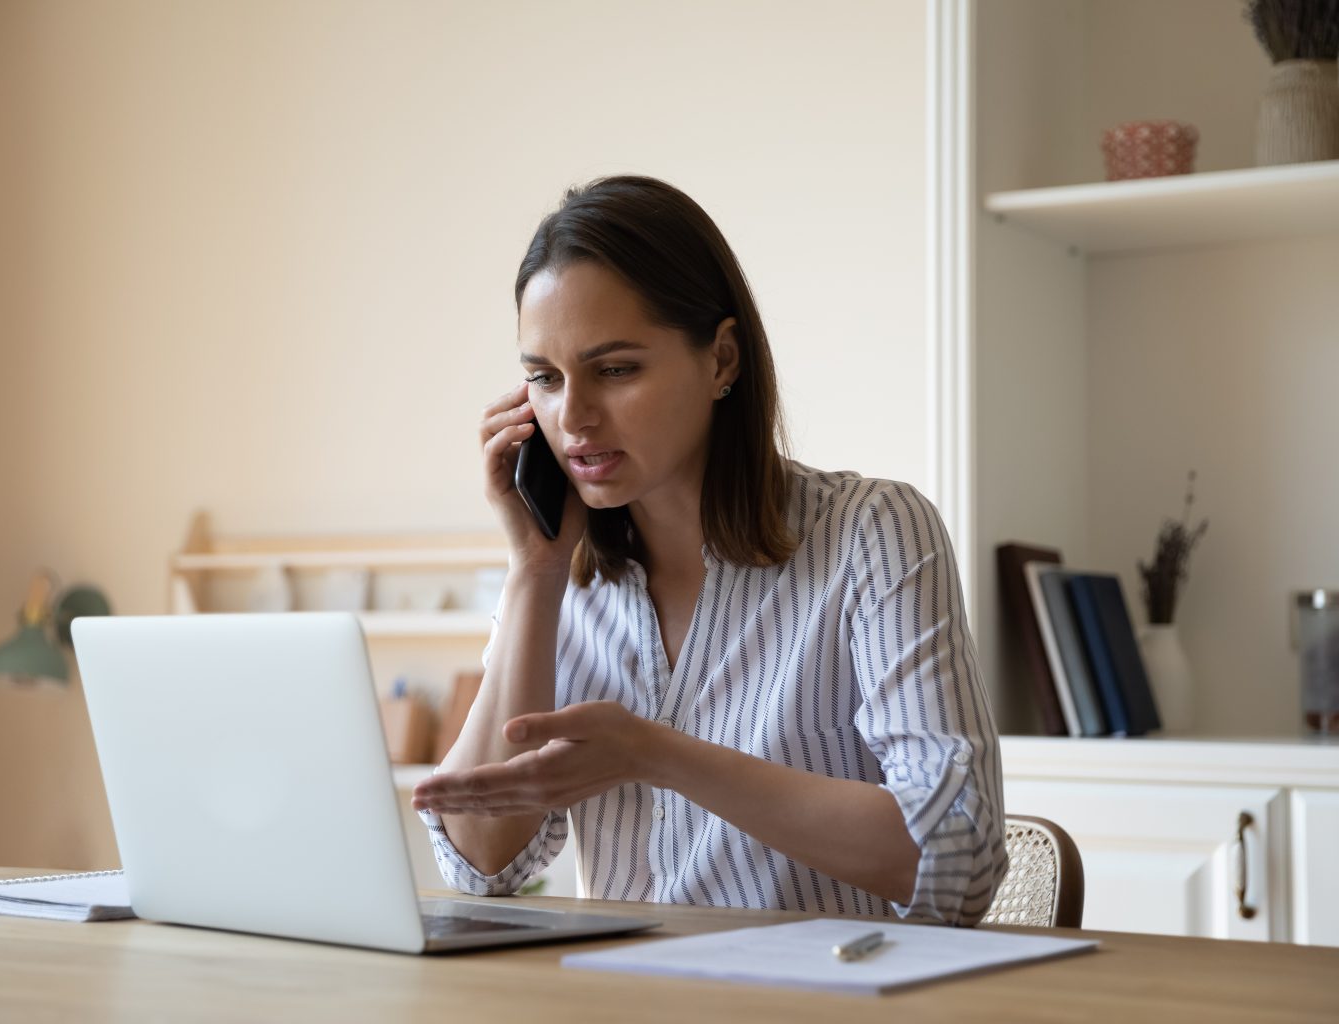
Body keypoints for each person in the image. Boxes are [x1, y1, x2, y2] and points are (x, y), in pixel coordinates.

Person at [411, 175, 1006, 925]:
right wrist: (533, 574)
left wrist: (657, 754)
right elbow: (482, 866)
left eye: (616, 369)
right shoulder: (557, 579)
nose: (574, 416)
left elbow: (959, 858)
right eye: (544, 379)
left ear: (722, 360)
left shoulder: (871, 533)